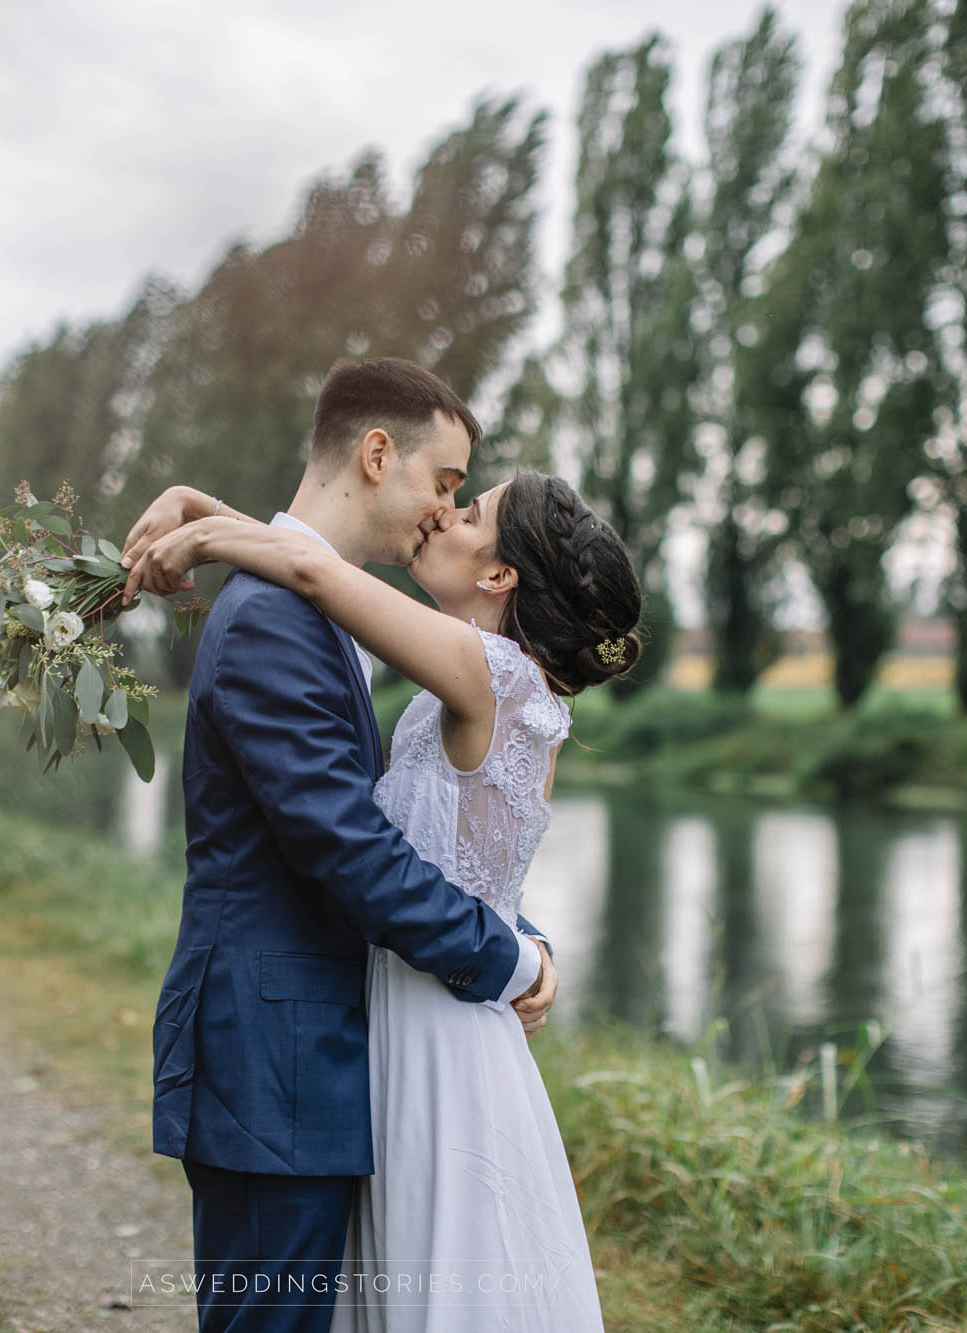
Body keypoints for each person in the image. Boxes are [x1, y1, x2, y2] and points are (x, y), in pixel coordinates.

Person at [125, 403, 641, 1331]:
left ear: (500, 574)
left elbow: (315, 569)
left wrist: (201, 527)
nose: (444, 513)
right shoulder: (494, 679)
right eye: (448, 489)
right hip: (414, 1016)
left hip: (435, 1029)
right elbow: (316, 564)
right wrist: (200, 506)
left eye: (468, 508)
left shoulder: (487, 672)